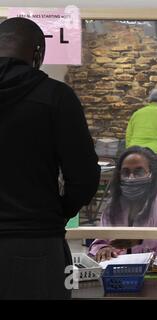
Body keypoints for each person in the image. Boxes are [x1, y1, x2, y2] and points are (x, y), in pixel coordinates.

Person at [0, 18, 100, 299]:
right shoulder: (55, 96)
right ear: (38, 55)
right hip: (34, 244)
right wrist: (58, 213)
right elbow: (84, 177)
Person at [89, 146, 157, 262]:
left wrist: (141, 240)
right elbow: (99, 241)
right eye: (125, 172)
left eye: (139, 172)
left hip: (155, 276)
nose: (131, 178)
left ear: (152, 174)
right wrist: (104, 248)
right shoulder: (113, 205)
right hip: (118, 275)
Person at [126, 89, 157, 173]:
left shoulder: (137, 114)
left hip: (135, 152)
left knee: (136, 183)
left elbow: (128, 136)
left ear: (149, 100)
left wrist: (129, 153)